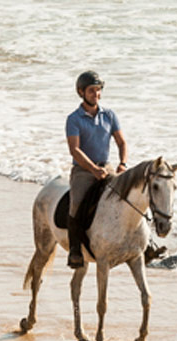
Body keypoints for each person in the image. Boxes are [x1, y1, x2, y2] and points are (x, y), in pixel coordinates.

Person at [65, 70, 128, 267]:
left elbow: (121, 142)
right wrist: (92, 169)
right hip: (83, 171)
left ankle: (144, 244)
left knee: (127, 198)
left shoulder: (109, 115)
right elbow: (75, 150)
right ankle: (75, 250)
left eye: (99, 90)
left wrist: (122, 164)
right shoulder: (74, 119)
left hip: (106, 167)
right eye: (92, 90)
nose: (96, 94)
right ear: (81, 92)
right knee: (76, 206)